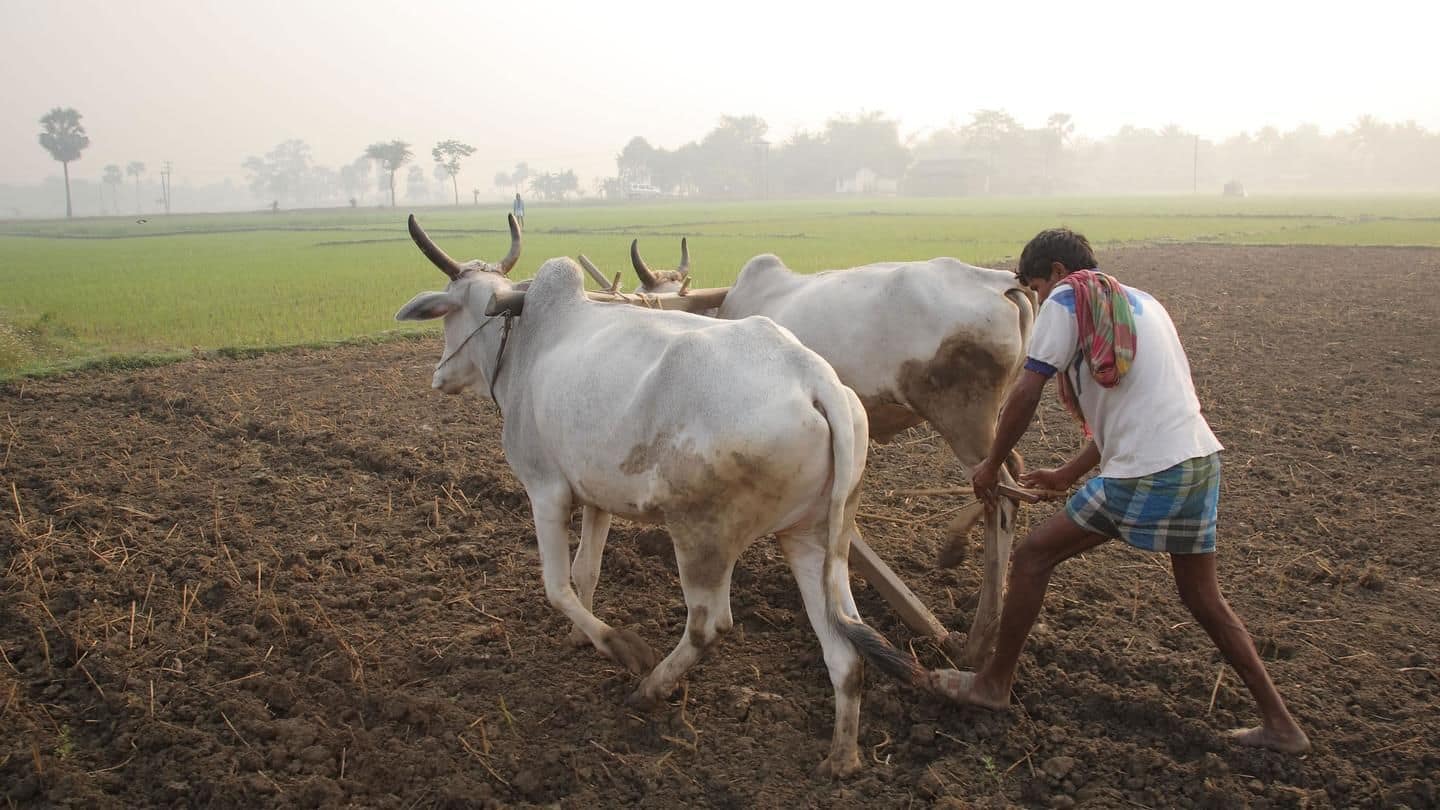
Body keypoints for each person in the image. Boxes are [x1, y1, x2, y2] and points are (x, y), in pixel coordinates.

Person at [935, 227, 1310, 754]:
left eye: (1036, 287)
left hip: (1147, 472)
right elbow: (1137, 410)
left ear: (1058, 273)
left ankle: (992, 684)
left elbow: (1026, 390)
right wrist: (1067, 474)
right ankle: (1282, 725)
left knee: (1034, 556)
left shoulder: (1069, 298)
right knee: (1204, 599)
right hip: (1198, 461)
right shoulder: (1144, 304)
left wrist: (991, 462)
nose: (1039, 299)